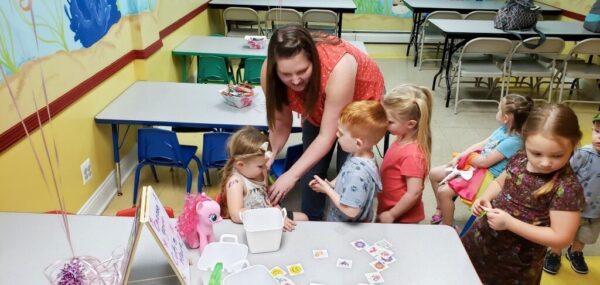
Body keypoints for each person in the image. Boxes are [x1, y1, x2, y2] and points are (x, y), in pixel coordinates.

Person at [261, 25, 385, 221]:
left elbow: (327, 135)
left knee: (351, 173)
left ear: (314, 60)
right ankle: (312, 219)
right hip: (319, 102)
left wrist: (291, 175)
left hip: (358, 107)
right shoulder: (269, 72)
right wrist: (270, 154)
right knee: (311, 169)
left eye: (302, 70)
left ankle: (351, 224)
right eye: (286, 74)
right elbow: (281, 120)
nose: (295, 80)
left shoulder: (338, 67)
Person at [462, 104, 585, 284]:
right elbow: (499, 182)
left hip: (515, 265)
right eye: (536, 153)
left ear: (573, 145)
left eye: (557, 155)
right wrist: (485, 197)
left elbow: (562, 237)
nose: (544, 163)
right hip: (482, 242)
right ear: (525, 141)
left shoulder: (566, 188)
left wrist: (509, 223)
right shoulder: (520, 158)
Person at [429, 94, 533, 226]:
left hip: (485, 176)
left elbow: (485, 162)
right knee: (433, 174)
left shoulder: (513, 141)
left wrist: (467, 157)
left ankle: (447, 227)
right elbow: (481, 144)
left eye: (499, 109)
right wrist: (461, 156)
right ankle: (441, 208)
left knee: (443, 192)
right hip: (476, 165)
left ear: (505, 118)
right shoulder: (503, 129)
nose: (497, 111)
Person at [308, 101, 388, 222]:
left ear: (358, 143)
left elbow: (351, 210)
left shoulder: (359, 173)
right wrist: (330, 184)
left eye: (341, 133)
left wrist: (327, 190)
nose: (336, 134)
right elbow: (344, 175)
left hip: (348, 228)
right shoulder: (359, 154)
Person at [217, 127, 308, 231]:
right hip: (252, 225)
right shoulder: (236, 183)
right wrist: (269, 217)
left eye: (265, 164)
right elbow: (236, 215)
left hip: (268, 214)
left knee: (304, 218)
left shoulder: (261, 171)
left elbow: (267, 199)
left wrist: (280, 215)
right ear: (240, 165)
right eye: (260, 166)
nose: (266, 168)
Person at [543, 113, 600, 275]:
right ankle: (554, 253)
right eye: (597, 132)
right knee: (562, 232)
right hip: (571, 208)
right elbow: (565, 175)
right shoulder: (583, 154)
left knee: (585, 235)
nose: (599, 137)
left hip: (595, 211)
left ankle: (575, 252)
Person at [376, 84, 432, 224]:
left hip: (402, 218)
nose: (384, 123)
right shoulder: (401, 138)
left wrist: (392, 214)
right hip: (389, 208)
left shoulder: (413, 155)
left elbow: (414, 193)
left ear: (411, 124)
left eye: (390, 122)